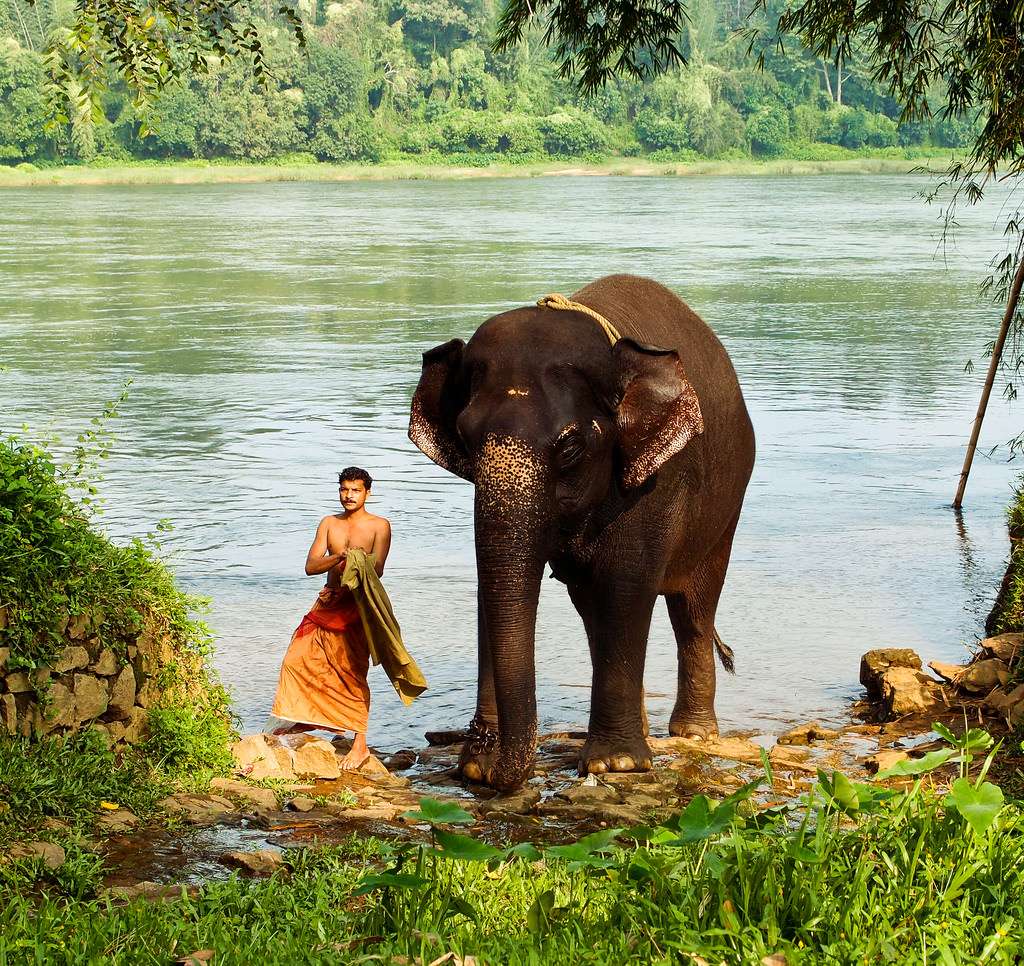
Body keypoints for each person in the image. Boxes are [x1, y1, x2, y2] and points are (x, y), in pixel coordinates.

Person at [268, 467, 391, 770]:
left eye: (356, 490)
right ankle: (307, 719)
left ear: (367, 493)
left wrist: (356, 560)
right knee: (296, 659)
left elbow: (378, 570)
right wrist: (337, 558)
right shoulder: (328, 523)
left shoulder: (380, 526)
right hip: (328, 601)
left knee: (352, 673)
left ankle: (359, 744)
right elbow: (311, 566)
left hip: (359, 606)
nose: (349, 495)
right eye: (344, 489)